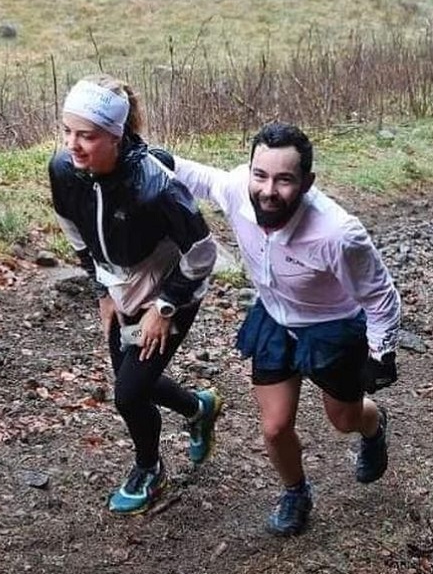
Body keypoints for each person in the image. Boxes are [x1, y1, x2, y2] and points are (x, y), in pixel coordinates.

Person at [167, 123, 401, 536]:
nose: (268, 190)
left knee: (343, 419)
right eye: (261, 175)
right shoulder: (241, 189)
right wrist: (153, 156)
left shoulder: (338, 234)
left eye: (284, 179)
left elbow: (381, 297)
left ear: (307, 182)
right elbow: (202, 178)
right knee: (274, 427)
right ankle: (296, 492)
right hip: (275, 319)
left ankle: (373, 425)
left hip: (332, 327)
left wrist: (381, 355)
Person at [48, 75, 223, 515]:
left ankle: (149, 469)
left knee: (128, 394)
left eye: (87, 135)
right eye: (68, 131)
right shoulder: (64, 170)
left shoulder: (155, 184)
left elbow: (203, 253)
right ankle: (199, 407)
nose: (74, 144)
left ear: (116, 135)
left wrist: (165, 307)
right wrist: (100, 287)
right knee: (134, 381)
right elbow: (74, 229)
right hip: (119, 286)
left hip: (170, 285)